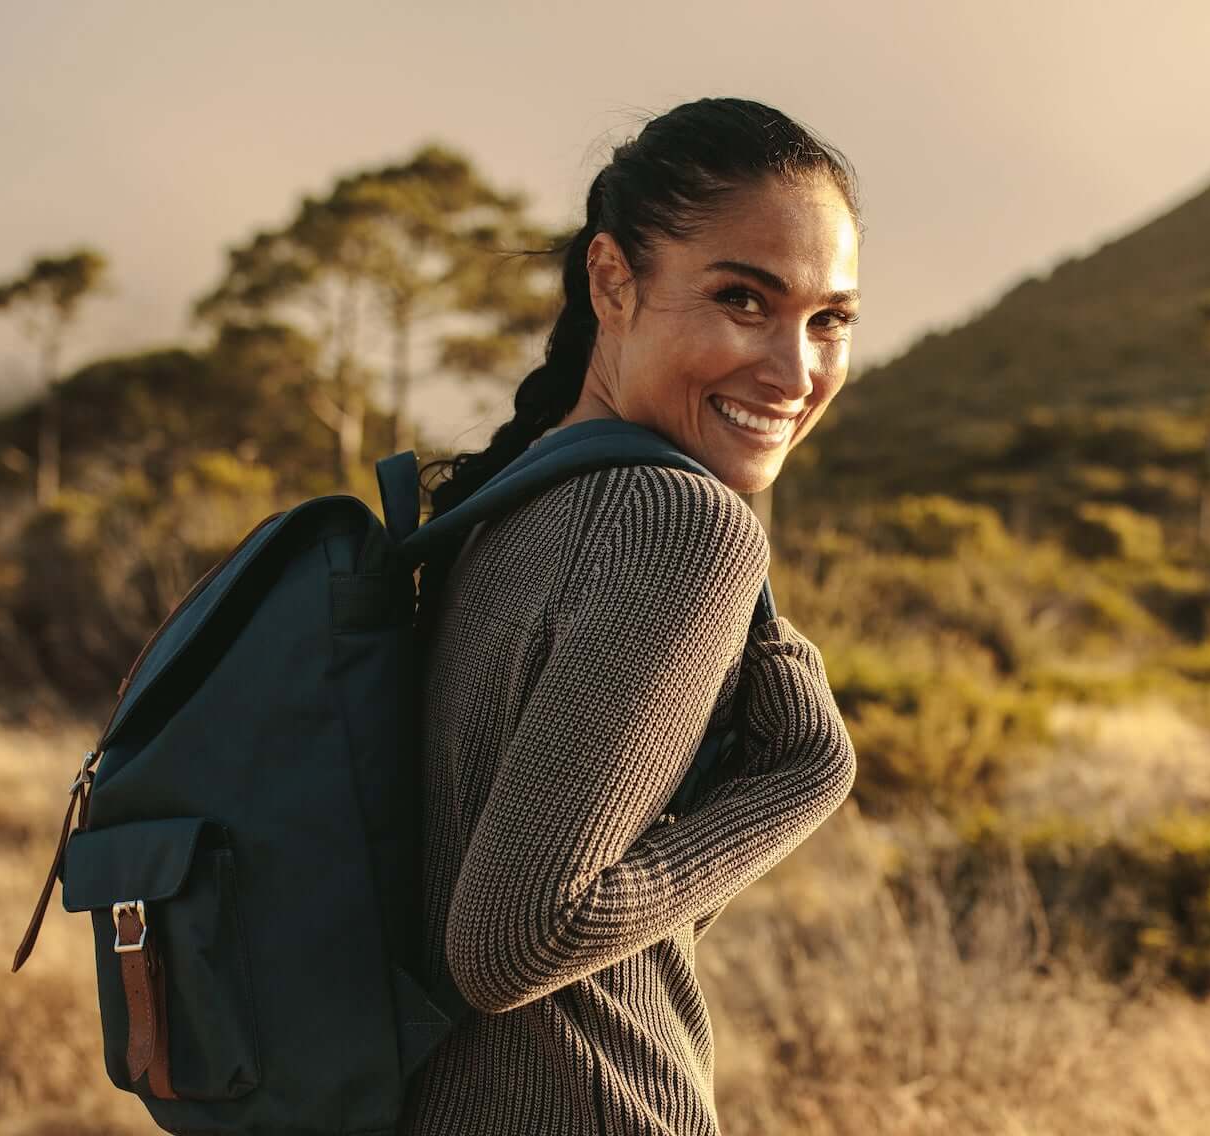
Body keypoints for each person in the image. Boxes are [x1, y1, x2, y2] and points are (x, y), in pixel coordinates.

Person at [401, 97, 863, 1135]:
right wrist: (805, 776)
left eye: (829, 319)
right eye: (743, 299)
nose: (795, 371)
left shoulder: (506, 503)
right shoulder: (676, 524)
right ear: (612, 281)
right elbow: (518, 938)